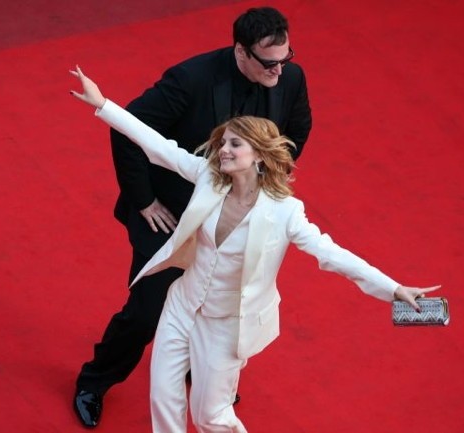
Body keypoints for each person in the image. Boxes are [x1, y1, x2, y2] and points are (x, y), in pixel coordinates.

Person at [69, 66, 440, 432]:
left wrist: (393, 288)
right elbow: (159, 146)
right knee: (164, 399)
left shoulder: (285, 211)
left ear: (259, 154)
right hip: (182, 306)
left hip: (228, 325)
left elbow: (332, 254)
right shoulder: (207, 177)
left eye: (234, 144)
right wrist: (103, 105)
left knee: (211, 417)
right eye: (223, 142)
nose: (223, 150)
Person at [73, 6, 313, 428]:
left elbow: (298, 127)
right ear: (242, 52)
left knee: (220, 301)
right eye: (270, 62)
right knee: (148, 310)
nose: (280, 70)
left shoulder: (289, 77)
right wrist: (144, 200)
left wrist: (265, 180)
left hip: (234, 215)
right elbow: (130, 128)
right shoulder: (190, 79)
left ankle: (201, 367)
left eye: (285, 58)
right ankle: (95, 380)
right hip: (171, 213)